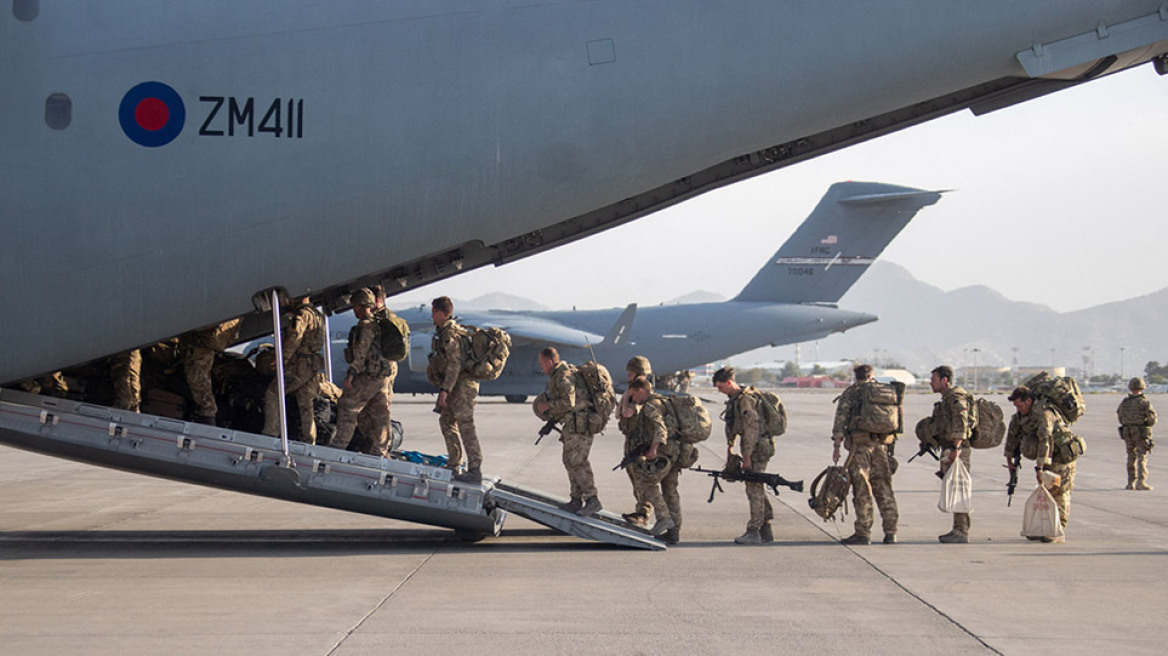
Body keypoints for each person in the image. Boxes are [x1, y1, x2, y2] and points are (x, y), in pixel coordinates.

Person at [831, 364, 898, 545]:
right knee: (884, 487)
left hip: (859, 447)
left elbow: (840, 419)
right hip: (882, 446)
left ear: (856, 375)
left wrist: (837, 445)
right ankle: (891, 532)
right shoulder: (886, 392)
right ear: (871, 375)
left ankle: (863, 532)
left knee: (862, 489)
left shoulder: (852, 393)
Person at [1004, 385, 1078, 542]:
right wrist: (1009, 460)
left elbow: (1046, 440)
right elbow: (1012, 436)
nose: (1018, 408)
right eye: (1016, 406)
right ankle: (1044, 528)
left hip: (1061, 455)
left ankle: (1058, 531)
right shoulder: (1020, 417)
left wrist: (1040, 467)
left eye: (1020, 404)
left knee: (1060, 492)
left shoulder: (1044, 414)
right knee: (1046, 492)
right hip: (1045, 457)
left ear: (1029, 400)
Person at [535, 347, 602, 515]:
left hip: (581, 426)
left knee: (578, 461)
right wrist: (550, 422)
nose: (541, 367)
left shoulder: (564, 376)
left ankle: (592, 499)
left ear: (550, 361)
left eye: (542, 363)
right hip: (573, 425)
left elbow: (568, 402)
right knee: (569, 460)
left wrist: (547, 406)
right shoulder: (559, 376)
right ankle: (576, 499)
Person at [713, 366, 775, 545]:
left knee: (753, 487)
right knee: (756, 485)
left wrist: (746, 456)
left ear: (729, 382)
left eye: (721, 387)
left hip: (758, 447)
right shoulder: (735, 399)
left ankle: (754, 531)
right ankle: (766, 527)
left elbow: (751, 429)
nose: (719, 391)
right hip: (754, 446)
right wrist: (730, 447)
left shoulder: (746, 400)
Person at [330, 289, 391, 456]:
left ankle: (338, 446)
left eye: (354, 306)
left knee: (347, 405)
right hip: (381, 377)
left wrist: (351, 373)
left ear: (359, 306)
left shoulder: (365, 325)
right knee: (380, 413)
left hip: (368, 376)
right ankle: (380, 449)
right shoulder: (377, 323)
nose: (354, 311)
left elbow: (361, 352)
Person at [623, 375, 684, 541]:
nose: (634, 400)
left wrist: (653, 449)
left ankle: (664, 519)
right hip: (676, 452)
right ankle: (674, 532)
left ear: (641, 390)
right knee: (670, 491)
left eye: (634, 395)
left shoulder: (651, 406)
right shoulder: (663, 401)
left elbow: (661, 429)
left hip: (664, 453)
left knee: (646, 483)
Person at [429, 296, 482, 482]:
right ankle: (454, 464)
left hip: (462, 387)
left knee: (466, 426)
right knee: (446, 422)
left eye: (434, 313)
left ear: (442, 314)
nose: (432, 317)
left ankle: (475, 469)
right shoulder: (445, 332)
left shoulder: (450, 334)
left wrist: (444, 390)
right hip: (456, 386)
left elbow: (453, 364)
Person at [261, 297, 325, 444]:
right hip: (312, 365)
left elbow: (294, 338)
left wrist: (282, 359)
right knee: (306, 404)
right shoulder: (317, 315)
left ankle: (270, 434)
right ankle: (309, 440)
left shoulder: (301, 315)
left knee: (273, 394)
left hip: (299, 364)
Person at [928, 365, 974, 544]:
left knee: (959, 489)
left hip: (957, 450)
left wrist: (956, 448)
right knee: (955, 489)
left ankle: (961, 531)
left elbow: (961, 422)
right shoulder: (946, 398)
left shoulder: (955, 397)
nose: (931, 383)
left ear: (944, 380)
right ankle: (958, 529)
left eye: (934, 380)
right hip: (951, 447)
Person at [180, 319, 242, 426]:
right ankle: (207, 414)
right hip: (204, 339)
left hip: (204, 340)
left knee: (198, 375)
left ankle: (207, 415)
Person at [618, 356, 654, 528]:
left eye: (631, 372)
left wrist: (627, 396)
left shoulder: (640, 392)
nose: (628, 376)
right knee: (635, 479)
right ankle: (641, 511)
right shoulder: (633, 390)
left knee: (642, 479)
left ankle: (644, 514)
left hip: (641, 444)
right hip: (632, 441)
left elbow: (626, 413)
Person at [1118, 377, 1157, 490]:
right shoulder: (1144, 402)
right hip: (1140, 433)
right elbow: (1152, 419)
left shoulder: (1124, 403)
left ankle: (1130, 482)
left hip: (1127, 432)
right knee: (1141, 457)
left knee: (1131, 456)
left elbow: (1120, 417)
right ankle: (1141, 482)